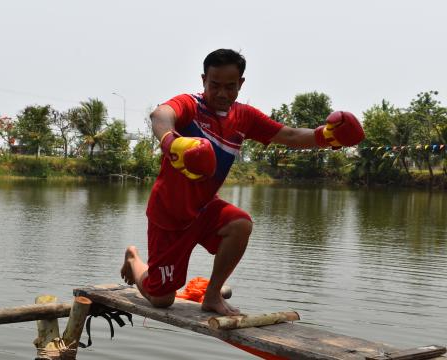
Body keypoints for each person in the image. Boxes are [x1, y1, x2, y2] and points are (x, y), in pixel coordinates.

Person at [121, 49, 364, 315]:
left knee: (240, 224)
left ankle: (212, 296)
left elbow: (291, 136)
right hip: (169, 213)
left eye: (230, 86)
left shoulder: (244, 117)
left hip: (204, 208)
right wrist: (171, 141)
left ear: (241, 84)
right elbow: (160, 115)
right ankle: (134, 259)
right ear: (204, 80)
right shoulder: (190, 105)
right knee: (162, 299)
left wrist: (325, 137)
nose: (222, 93)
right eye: (214, 85)